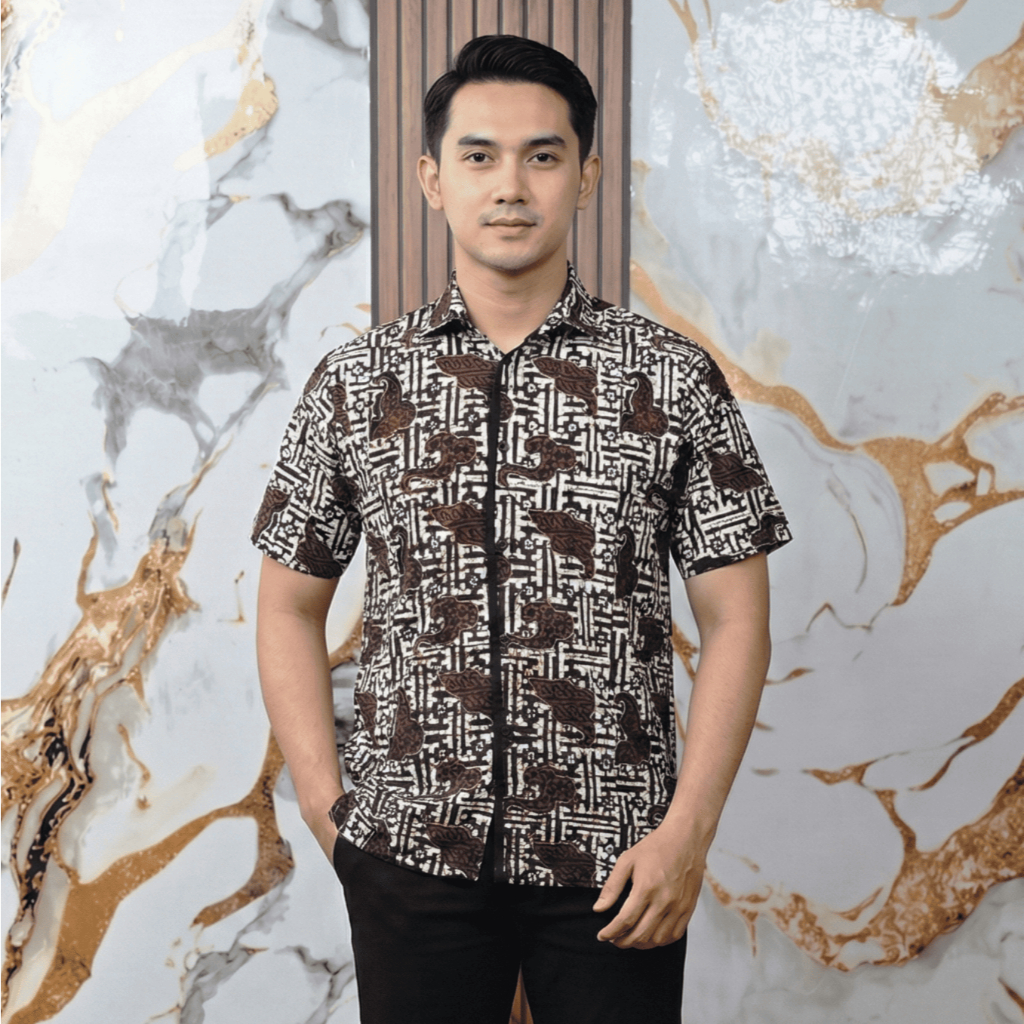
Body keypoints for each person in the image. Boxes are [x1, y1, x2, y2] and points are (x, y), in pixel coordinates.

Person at [251, 33, 791, 1024]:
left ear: (586, 176)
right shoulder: (358, 383)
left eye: (543, 156)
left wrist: (688, 833)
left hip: (618, 859)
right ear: (433, 178)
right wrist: (335, 820)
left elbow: (737, 618)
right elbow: (288, 604)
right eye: (479, 156)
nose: (510, 186)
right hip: (409, 853)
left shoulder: (669, 378)